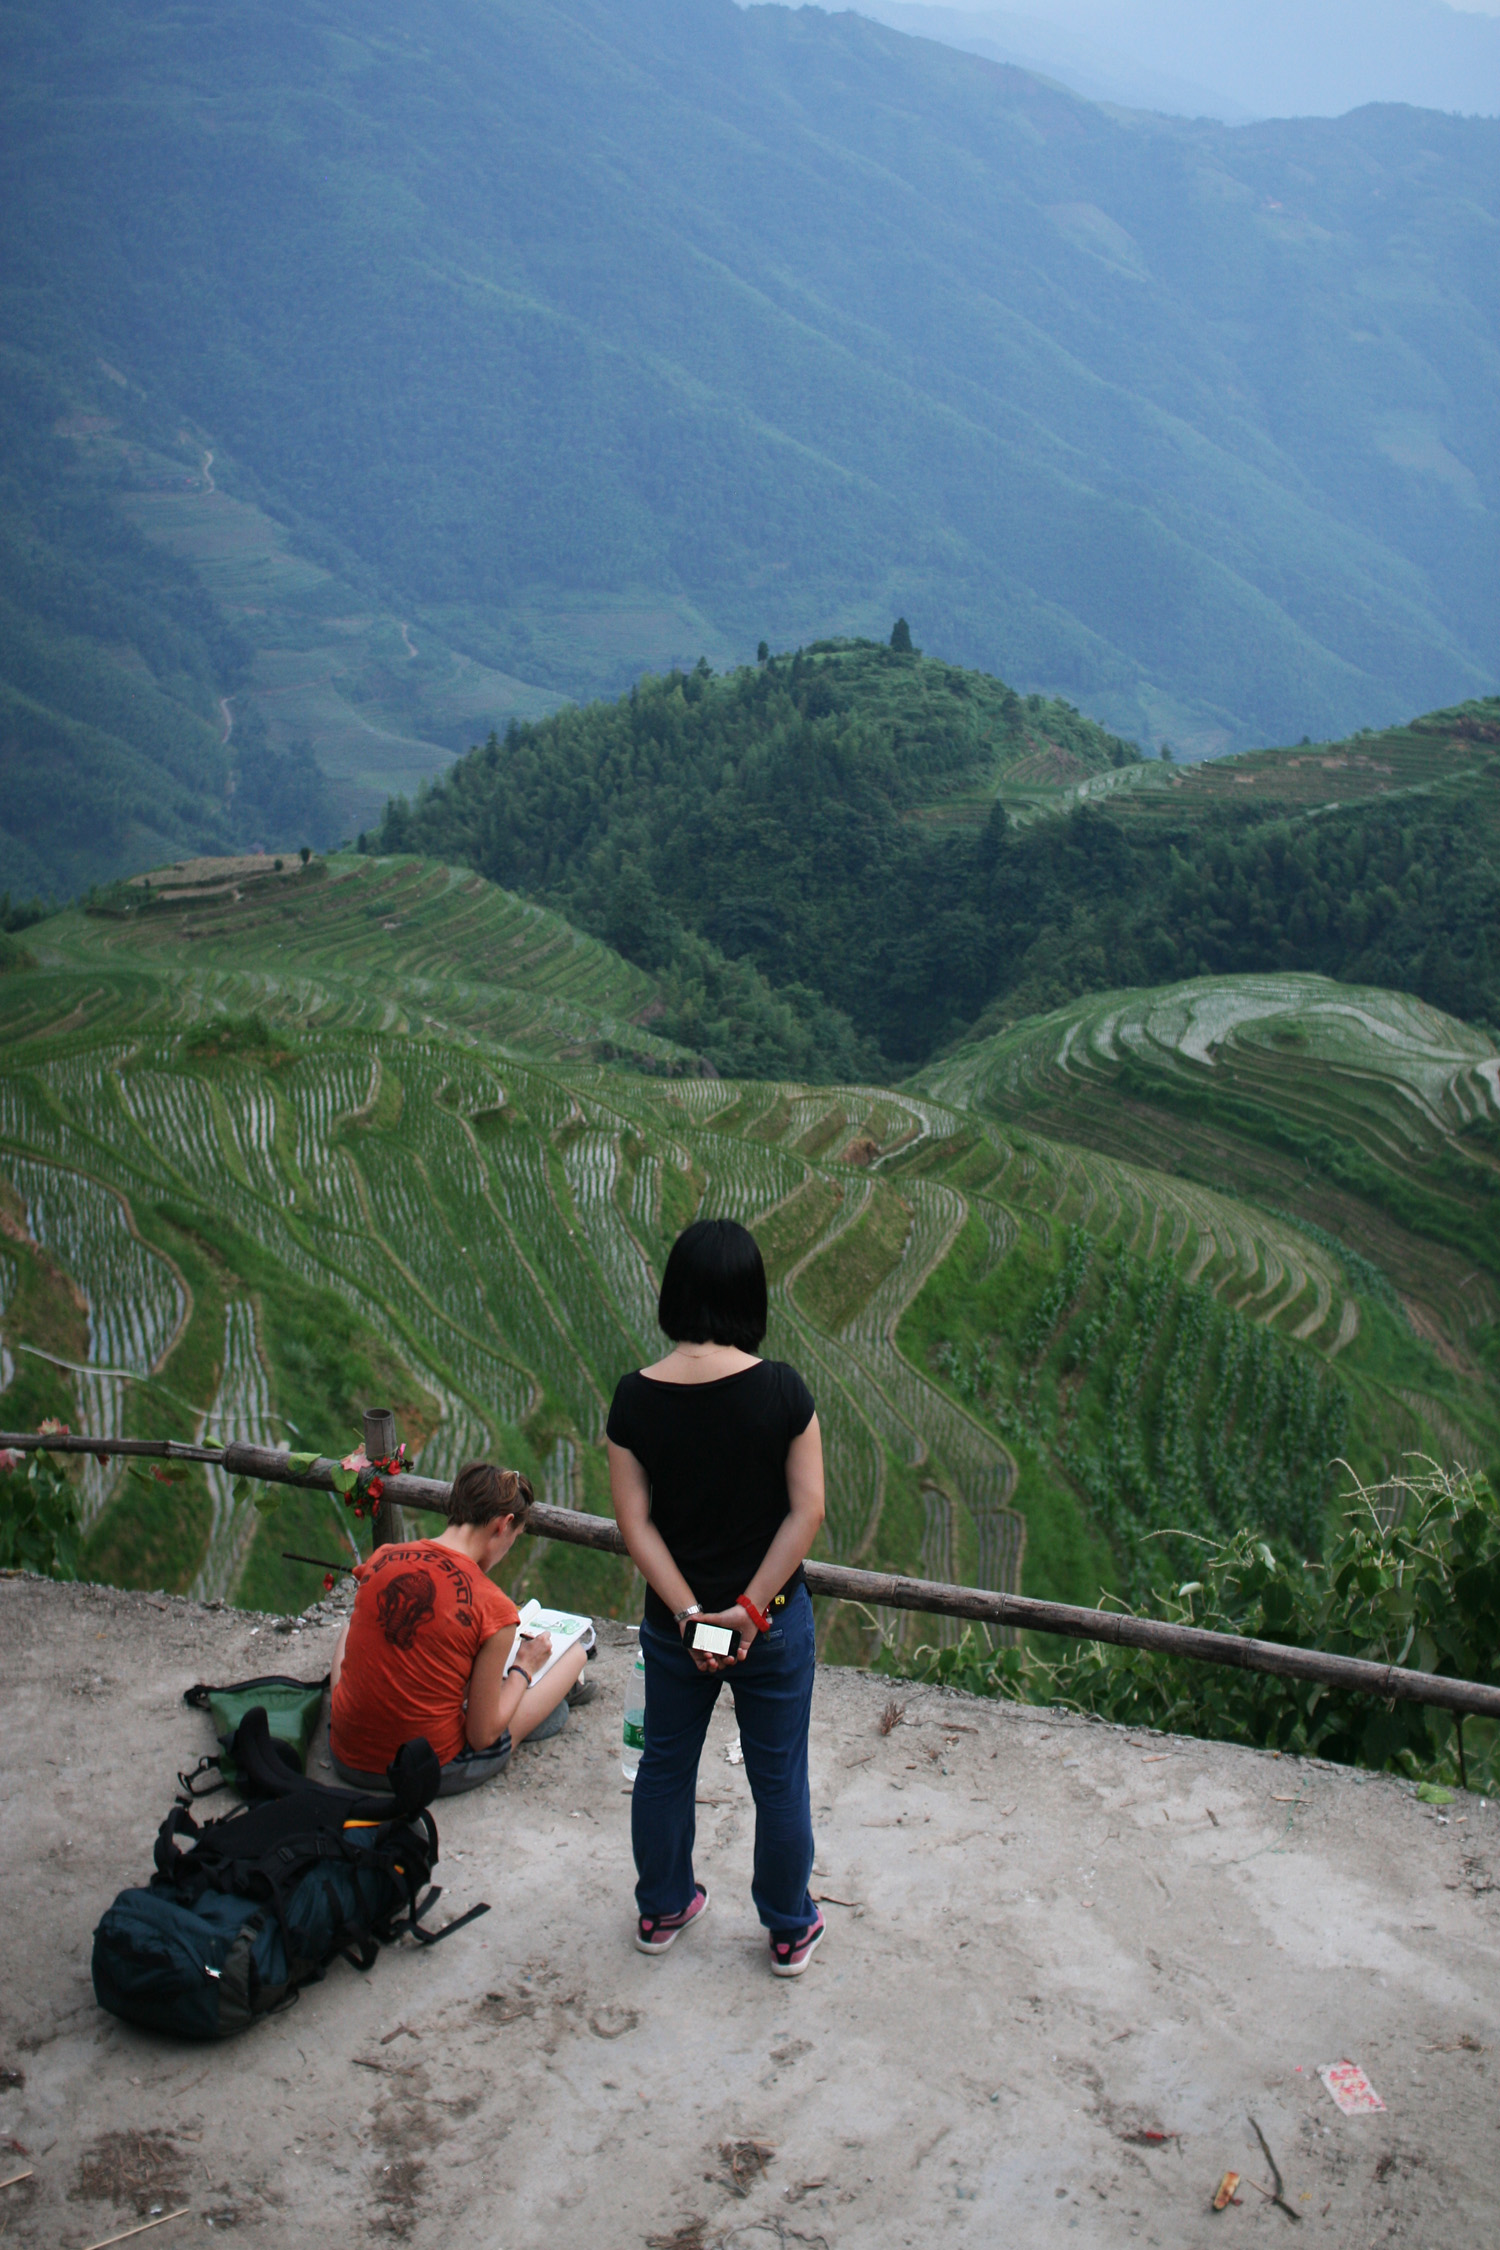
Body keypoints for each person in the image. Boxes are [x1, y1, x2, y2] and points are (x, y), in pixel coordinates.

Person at [607, 1217, 827, 1977]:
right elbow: (807, 1511)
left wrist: (690, 1616)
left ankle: (663, 1907)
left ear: (674, 1293)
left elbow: (634, 1524)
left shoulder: (634, 1398)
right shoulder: (783, 1391)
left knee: (665, 1767)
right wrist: (749, 1612)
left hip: (678, 1631)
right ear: (749, 1296)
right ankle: (789, 1928)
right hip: (768, 1627)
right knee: (779, 1779)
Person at [329, 1460, 592, 1794]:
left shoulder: (383, 1557)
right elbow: (481, 1735)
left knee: (350, 1628)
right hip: (423, 1770)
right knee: (575, 1656)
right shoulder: (492, 1605)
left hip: (346, 1756)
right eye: (514, 1538)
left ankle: (346, 1711)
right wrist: (523, 1668)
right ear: (503, 1525)